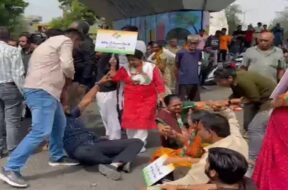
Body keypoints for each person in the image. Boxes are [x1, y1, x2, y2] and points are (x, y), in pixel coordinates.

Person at [0, 29, 83, 188]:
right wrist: (71, 76)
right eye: (78, 43)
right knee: (41, 131)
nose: (76, 47)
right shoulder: (65, 41)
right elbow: (67, 65)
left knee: (59, 123)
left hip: (44, 91)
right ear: (75, 38)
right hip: (42, 91)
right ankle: (11, 168)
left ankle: (57, 156)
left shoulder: (47, 44)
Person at [145, 107, 248, 190]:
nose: (198, 133)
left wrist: (156, 188)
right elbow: (232, 120)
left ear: (210, 132)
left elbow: (190, 180)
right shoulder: (236, 136)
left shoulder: (211, 158)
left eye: (199, 130)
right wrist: (225, 109)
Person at [63, 83, 143, 181]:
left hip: (97, 143)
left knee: (137, 142)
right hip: (81, 149)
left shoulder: (73, 114)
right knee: (84, 152)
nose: (66, 106)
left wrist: (98, 84)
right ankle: (121, 161)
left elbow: (86, 100)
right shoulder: (55, 123)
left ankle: (115, 164)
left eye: (65, 105)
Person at [214, 68, 276, 173]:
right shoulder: (234, 81)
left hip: (269, 100)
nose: (218, 84)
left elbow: (254, 97)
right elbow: (237, 95)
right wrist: (225, 101)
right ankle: (260, 146)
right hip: (258, 100)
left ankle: (253, 158)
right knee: (248, 125)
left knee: (254, 128)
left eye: (220, 81)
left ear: (229, 78)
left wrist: (230, 102)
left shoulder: (242, 80)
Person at [106, 45, 165, 152]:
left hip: (148, 99)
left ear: (140, 58)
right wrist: (113, 66)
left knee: (143, 122)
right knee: (130, 122)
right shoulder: (125, 69)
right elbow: (115, 77)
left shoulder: (151, 67)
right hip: (130, 100)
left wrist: (161, 96)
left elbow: (159, 83)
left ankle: (140, 144)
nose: (131, 62)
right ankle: (132, 142)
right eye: (129, 60)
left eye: (133, 60)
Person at [252, 71, 288, 190]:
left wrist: (279, 101)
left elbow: (277, 100)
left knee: (278, 160)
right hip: (281, 118)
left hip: (283, 117)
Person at [161, 148, 257, 190]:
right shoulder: (242, 180)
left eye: (206, 162)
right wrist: (179, 187)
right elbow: (212, 187)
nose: (204, 163)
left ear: (213, 173)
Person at [0, 26, 25, 158]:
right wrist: (24, 91)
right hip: (9, 86)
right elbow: (18, 74)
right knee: (11, 121)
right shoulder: (13, 51)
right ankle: (13, 150)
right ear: (8, 37)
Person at [68, 21, 96, 108]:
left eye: (73, 29)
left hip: (79, 81)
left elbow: (89, 62)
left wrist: (83, 83)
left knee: (75, 107)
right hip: (74, 80)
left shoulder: (84, 43)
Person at [95, 53, 121, 140]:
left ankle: (115, 136)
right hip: (101, 89)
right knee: (104, 113)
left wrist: (112, 65)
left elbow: (112, 72)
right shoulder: (102, 57)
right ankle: (110, 133)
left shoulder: (111, 56)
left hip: (108, 89)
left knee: (111, 114)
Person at [176, 35, 202, 101]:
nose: (193, 45)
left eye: (195, 43)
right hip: (183, 81)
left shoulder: (199, 52)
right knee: (183, 103)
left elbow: (199, 62)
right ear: (187, 42)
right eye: (191, 42)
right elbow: (177, 66)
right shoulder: (180, 52)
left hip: (195, 81)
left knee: (196, 103)